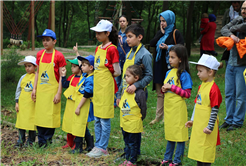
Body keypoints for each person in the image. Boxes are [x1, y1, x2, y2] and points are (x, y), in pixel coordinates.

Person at [116, 24, 153, 158]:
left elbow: (149, 75)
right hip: (126, 94)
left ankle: (134, 154)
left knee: (134, 127)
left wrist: (136, 85)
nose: (127, 39)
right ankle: (128, 151)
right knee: (125, 125)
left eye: (130, 37)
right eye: (126, 37)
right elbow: (124, 76)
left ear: (140, 37)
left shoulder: (145, 55)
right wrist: (119, 93)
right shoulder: (130, 52)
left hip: (137, 95)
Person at [86, 19, 121, 158]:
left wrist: (109, 70)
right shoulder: (98, 48)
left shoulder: (112, 49)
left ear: (107, 33)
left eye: (99, 33)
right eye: (96, 32)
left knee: (104, 118)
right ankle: (97, 145)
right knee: (97, 117)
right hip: (98, 87)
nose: (97, 35)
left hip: (106, 87)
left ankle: (103, 147)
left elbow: (117, 71)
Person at [31, 29, 67, 147]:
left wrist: (59, 93)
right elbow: (37, 72)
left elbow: (62, 76)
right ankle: (41, 139)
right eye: (43, 40)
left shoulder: (59, 56)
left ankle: (47, 140)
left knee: (50, 115)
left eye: (47, 40)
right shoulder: (39, 54)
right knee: (40, 115)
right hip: (41, 91)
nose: (45, 43)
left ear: (54, 41)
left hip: (53, 91)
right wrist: (34, 89)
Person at [186, 54, 222, 166]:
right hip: (199, 126)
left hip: (207, 128)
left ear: (210, 72)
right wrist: (192, 120)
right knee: (198, 152)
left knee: (205, 153)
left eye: (200, 71)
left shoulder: (214, 89)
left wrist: (210, 127)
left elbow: (214, 110)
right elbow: (197, 105)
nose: (198, 74)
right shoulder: (201, 86)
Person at [149, 10, 184, 125]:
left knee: (168, 92)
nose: (162, 23)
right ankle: (158, 117)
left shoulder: (176, 33)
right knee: (160, 92)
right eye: (161, 21)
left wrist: (168, 47)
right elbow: (152, 43)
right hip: (159, 65)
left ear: (170, 20)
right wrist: (160, 33)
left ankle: (167, 117)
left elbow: (181, 47)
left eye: (164, 21)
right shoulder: (162, 32)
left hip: (170, 67)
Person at [160, 44, 193, 166]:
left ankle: (177, 160)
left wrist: (172, 87)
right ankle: (167, 158)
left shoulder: (184, 74)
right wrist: (164, 89)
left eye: (173, 57)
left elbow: (187, 94)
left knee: (179, 134)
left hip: (178, 109)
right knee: (170, 133)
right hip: (169, 108)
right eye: (169, 57)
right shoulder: (168, 72)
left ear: (180, 59)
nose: (170, 60)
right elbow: (167, 88)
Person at [219, 1, 246, 131]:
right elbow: (223, 29)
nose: (243, 11)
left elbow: (241, 27)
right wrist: (230, 35)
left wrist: (231, 28)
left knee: (241, 95)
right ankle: (228, 119)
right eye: (243, 8)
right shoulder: (239, 19)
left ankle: (237, 121)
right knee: (229, 93)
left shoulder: (240, 22)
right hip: (230, 62)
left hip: (242, 65)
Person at [118, 64, 147, 166]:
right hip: (125, 122)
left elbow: (143, 108)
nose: (125, 78)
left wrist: (140, 118)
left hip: (134, 123)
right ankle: (127, 158)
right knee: (126, 142)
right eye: (125, 76)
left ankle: (132, 160)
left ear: (136, 78)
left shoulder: (139, 93)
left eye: (128, 76)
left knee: (133, 143)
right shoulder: (126, 89)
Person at [69, 55, 95, 154]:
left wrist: (79, 107)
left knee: (80, 125)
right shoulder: (85, 75)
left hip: (84, 104)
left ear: (91, 67)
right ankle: (90, 144)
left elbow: (87, 94)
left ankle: (78, 147)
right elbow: (81, 64)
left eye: (84, 65)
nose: (81, 67)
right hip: (79, 102)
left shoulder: (90, 79)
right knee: (81, 125)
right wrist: (77, 53)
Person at [15, 56, 37, 147]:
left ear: (35, 66)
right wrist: (17, 102)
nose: (27, 68)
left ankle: (31, 141)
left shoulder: (37, 77)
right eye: (25, 66)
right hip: (22, 103)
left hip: (32, 104)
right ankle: (21, 139)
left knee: (32, 122)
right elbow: (18, 90)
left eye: (29, 66)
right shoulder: (23, 77)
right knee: (21, 122)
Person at [60, 58, 82, 149]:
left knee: (76, 123)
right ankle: (69, 142)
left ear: (80, 68)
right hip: (69, 105)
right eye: (71, 66)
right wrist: (63, 75)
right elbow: (65, 85)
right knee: (68, 122)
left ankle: (77, 144)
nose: (72, 68)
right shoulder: (71, 77)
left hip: (78, 104)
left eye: (74, 67)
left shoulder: (83, 78)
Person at [115, 15, 131, 107]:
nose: (122, 23)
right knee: (117, 80)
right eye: (120, 21)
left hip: (126, 60)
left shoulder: (129, 34)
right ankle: (116, 100)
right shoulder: (117, 34)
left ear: (127, 22)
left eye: (124, 21)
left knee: (125, 80)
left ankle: (124, 98)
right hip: (118, 61)